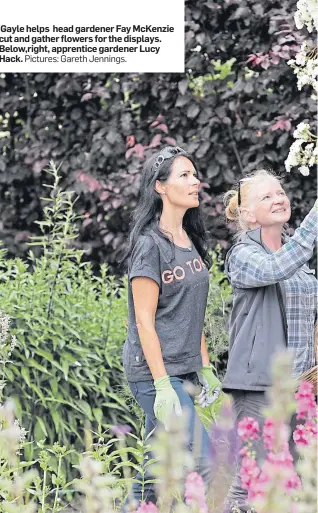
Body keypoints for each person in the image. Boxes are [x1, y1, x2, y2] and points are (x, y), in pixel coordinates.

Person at [121, 146, 221, 508]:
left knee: (152, 472)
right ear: (160, 187)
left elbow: (192, 312)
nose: (196, 182)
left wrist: (205, 366)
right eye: (185, 175)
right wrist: (163, 385)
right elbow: (144, 321)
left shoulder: (190, 240)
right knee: (207, 461)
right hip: (153, 374)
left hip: (183, 368)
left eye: (195, 175)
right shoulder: (149, 246)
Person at [221, 169, 317, 513]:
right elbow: (276, 268)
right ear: (247, 214)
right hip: (261, 385)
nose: (278, 199)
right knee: (252, 484)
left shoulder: (298, 257)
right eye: (266, 196)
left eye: (280, 192)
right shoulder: (244, 256)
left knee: (301, 480)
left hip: (301, 386)